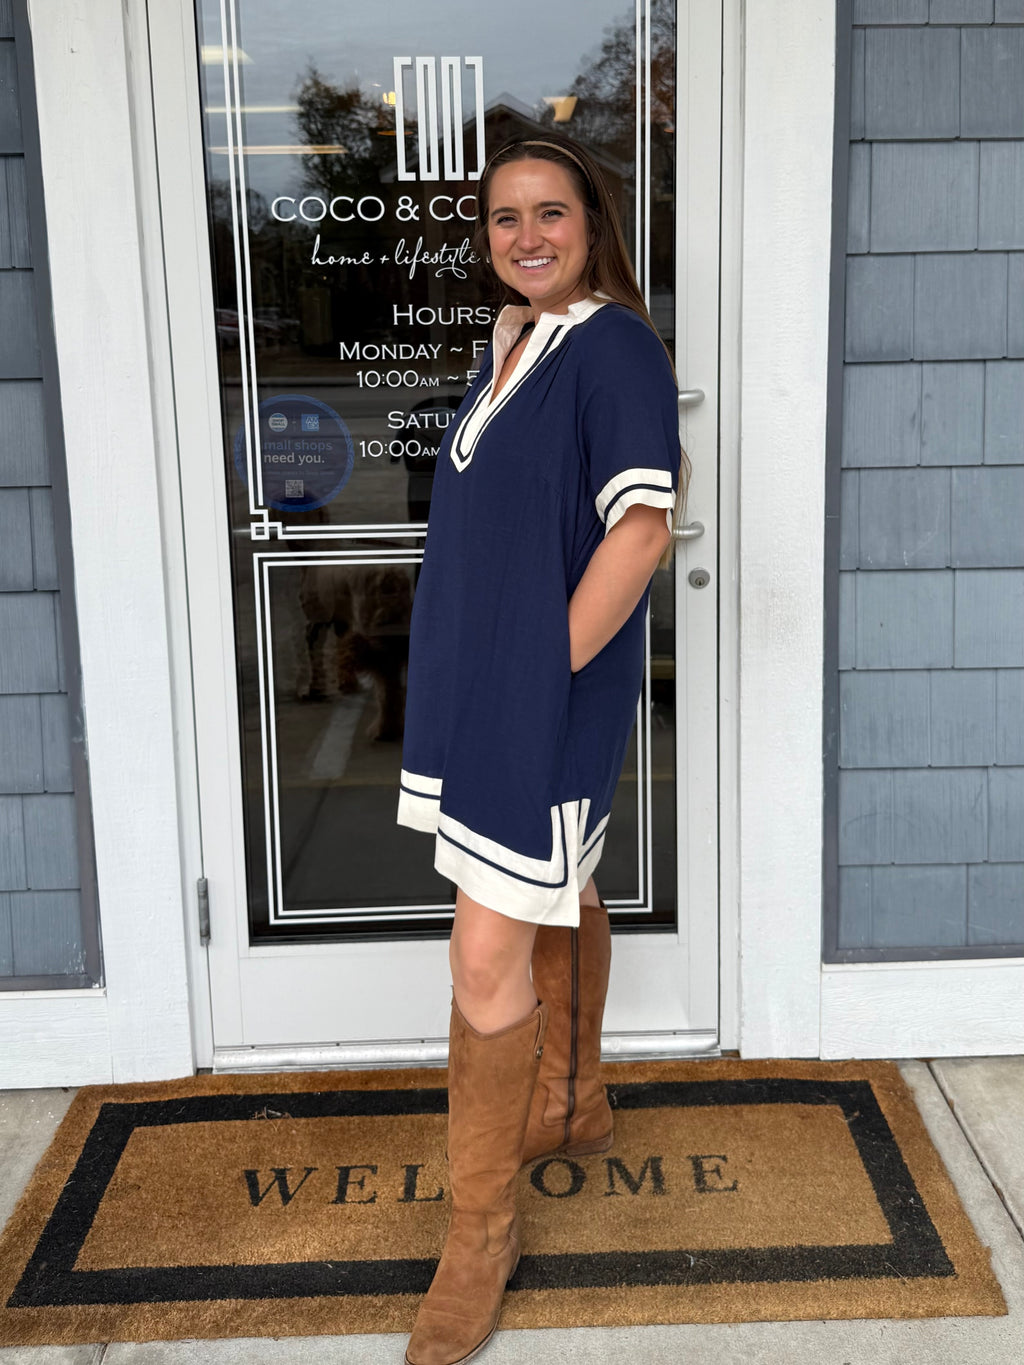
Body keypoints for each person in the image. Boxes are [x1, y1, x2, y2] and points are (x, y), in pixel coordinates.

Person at [396, 132, 689, 1365]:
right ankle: (569, 1102)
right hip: (481, 694)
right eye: (504, 218)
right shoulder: (512, 340)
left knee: (480, 958)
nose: (526, 236)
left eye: (550, 213)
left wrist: (539, 673)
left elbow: (640, 534)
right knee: (552, 893)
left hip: (538, 702)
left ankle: (480, 1236)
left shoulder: (613, 341)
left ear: (593, 223)